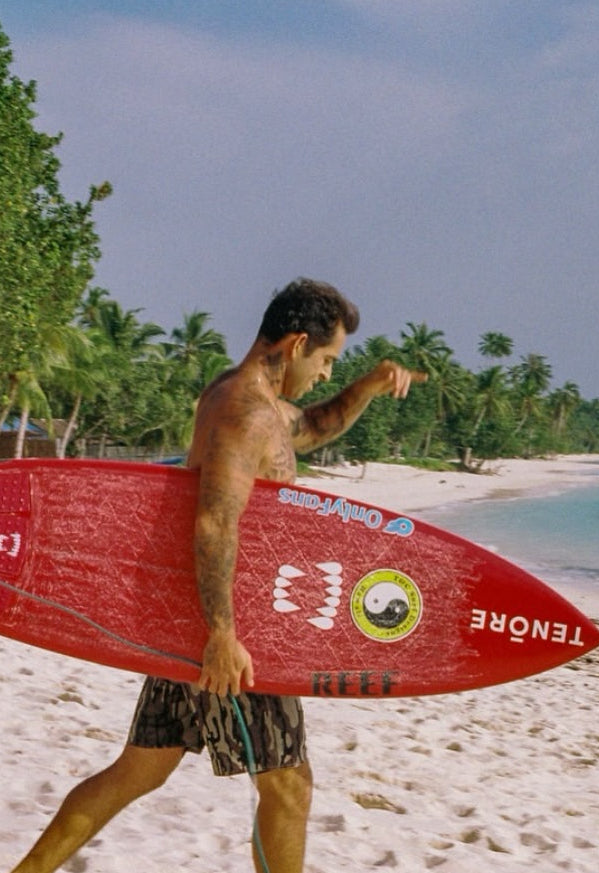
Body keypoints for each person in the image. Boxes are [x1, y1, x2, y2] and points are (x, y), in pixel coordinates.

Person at [10, 278, 427, 873]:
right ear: (297, 343)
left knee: (138, 771)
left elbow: (312, 427)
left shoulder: (248, 399)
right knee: (289, 787)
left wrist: (369, 385)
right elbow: (214, 522)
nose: (326, 373)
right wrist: (223, 635)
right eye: (328, 360)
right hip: (229, 630)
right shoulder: (246, 412)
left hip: (193, 619)